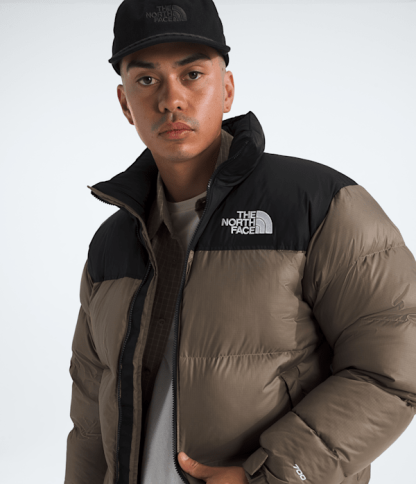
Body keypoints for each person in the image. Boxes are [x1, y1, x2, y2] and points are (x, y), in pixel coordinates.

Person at [64, 1, 416, 483]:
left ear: (227, 89)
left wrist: (273, 475)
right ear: (125, 104)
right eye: (147, 80)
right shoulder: (112, 243)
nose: (171, 100)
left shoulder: (316, 203)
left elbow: (395, 367)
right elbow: (89, 418)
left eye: (192, 75)